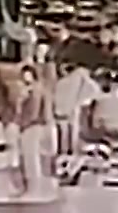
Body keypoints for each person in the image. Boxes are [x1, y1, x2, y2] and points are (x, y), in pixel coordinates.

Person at [11, 64, 52, 192]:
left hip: (31, 125)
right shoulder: (33, 89)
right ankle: (32, 186)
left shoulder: (34, 90)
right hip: (31, 126)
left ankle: (33, 186)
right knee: (29, 157)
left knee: (30, 158)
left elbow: (32, 111)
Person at [51, 59, 99, 158]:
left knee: (65, 131)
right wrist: (81, 102)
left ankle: (64, 152)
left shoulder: (66, 81)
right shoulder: (78, 78)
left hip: (65, 109)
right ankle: (69, 152)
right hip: (70, 108)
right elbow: (94, 90)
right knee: (70, 131)